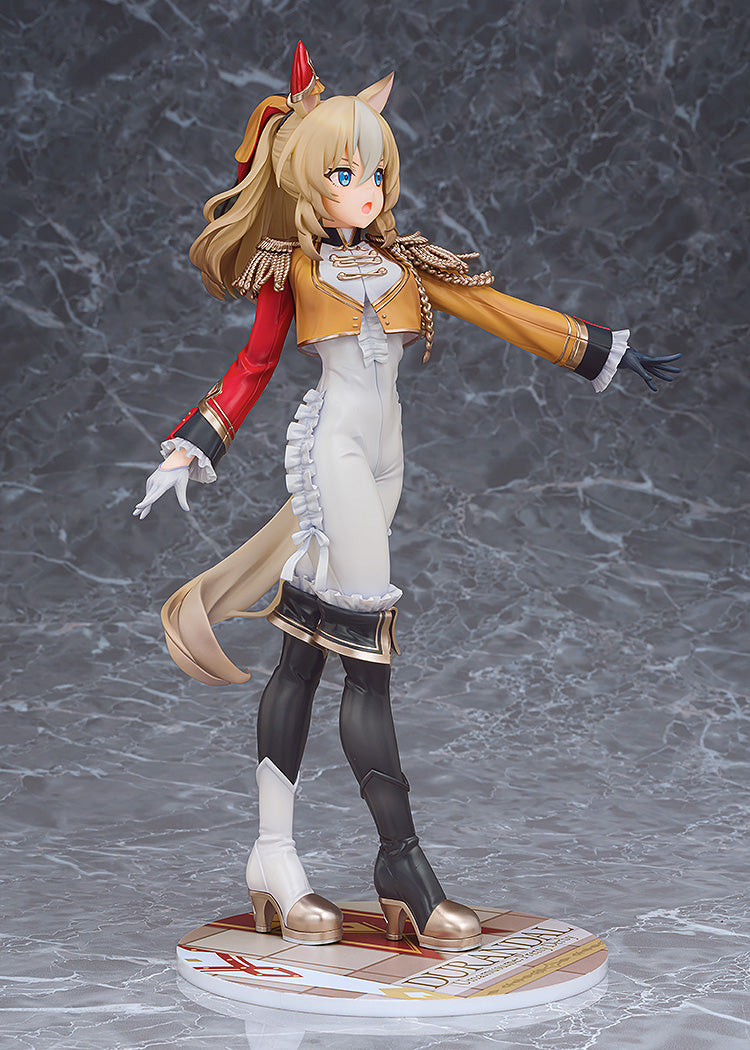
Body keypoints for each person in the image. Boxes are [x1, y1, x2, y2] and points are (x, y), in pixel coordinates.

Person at [134, 42, 680, 952]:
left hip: (388, 461)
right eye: (346, 173)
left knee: (307, 651)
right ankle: (404, 868)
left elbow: (496, 306)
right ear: (308, 180)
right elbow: (254, 365)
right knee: (369, 657)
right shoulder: (293, 268)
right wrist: (192, 446)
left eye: (377, 172)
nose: (368, 189)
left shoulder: (401, 262)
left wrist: (597, 351)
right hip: (336, 451)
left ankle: (272, 856)